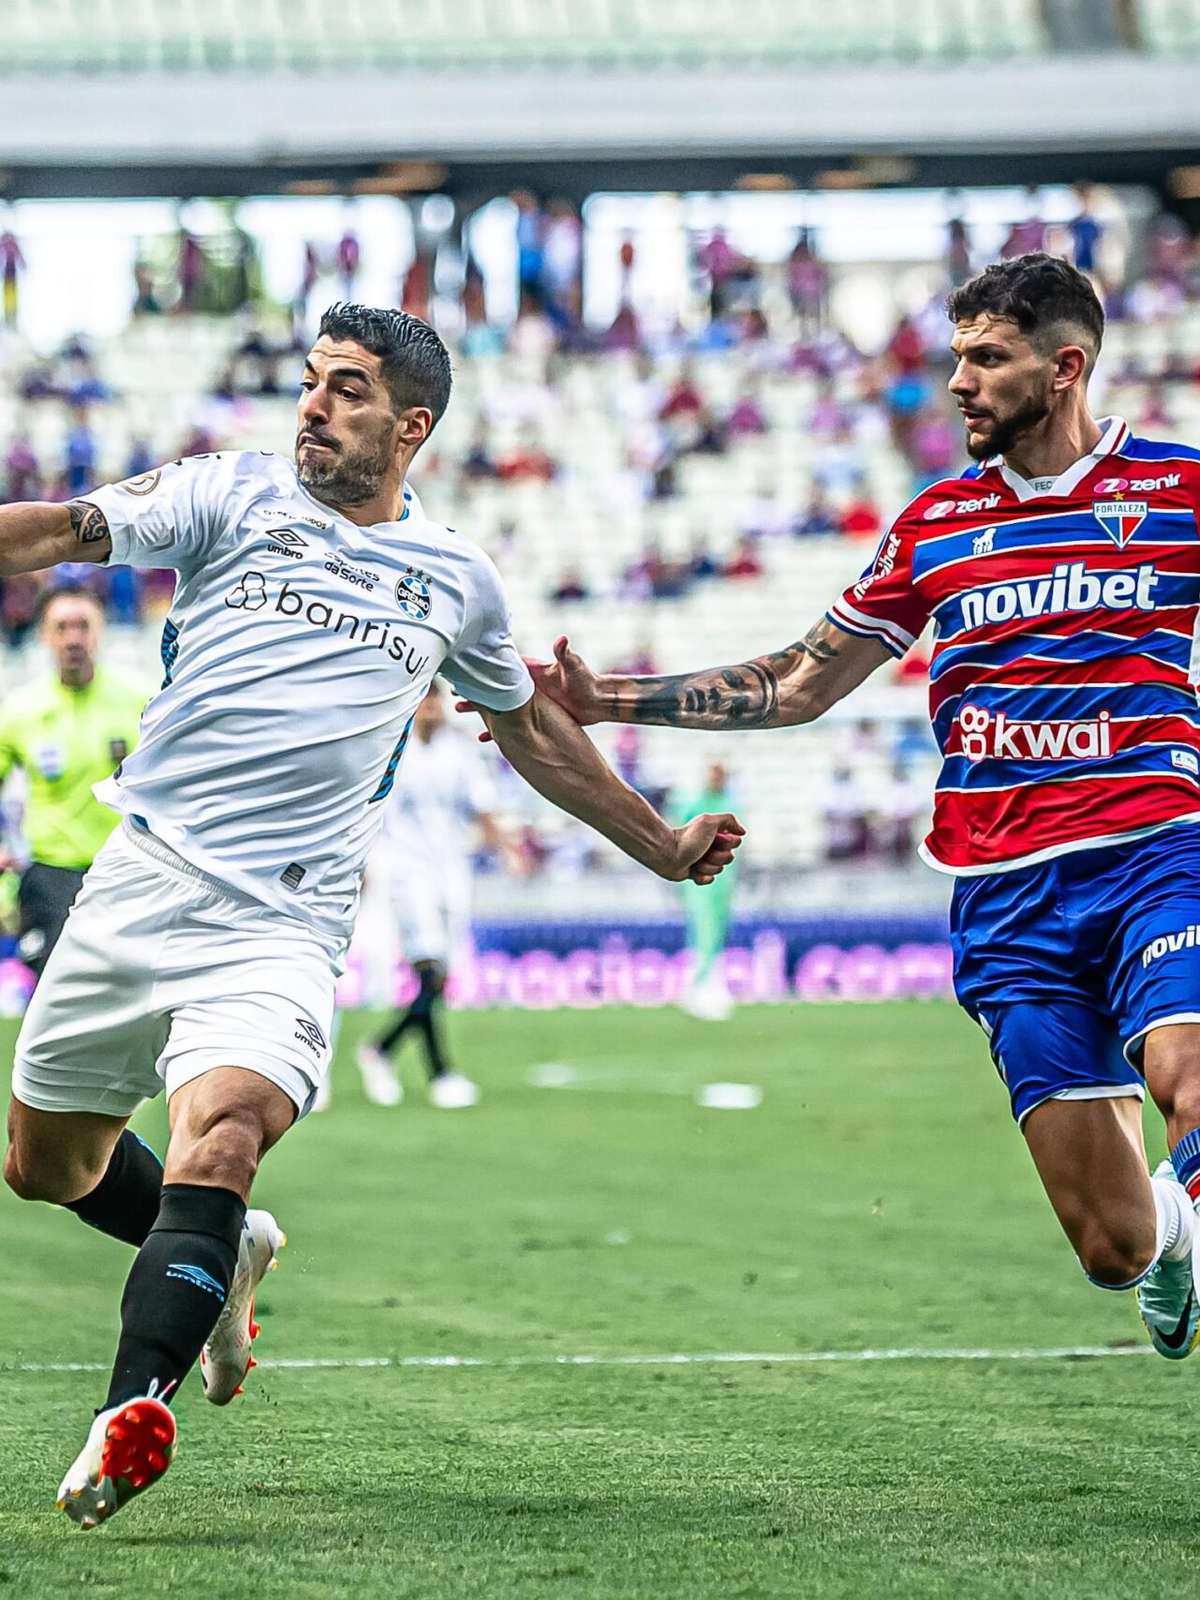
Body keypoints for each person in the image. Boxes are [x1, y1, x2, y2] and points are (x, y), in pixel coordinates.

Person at [0, 303, 742, 1529]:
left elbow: (533, 733)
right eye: (309, 381)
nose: (312, 404)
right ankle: (228, 1252)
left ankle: (128, 1413)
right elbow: (60, 531)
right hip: (137, 882)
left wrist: (662, 843)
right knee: (46, 1166)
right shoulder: (226, 495)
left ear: (409, 424)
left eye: (343, 388)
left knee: (222, 1132)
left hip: (281, 922)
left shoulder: (455, 577)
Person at [505, 254, 1200, 1376]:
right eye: (956, 355)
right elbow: (799, 681)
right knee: (1112, 1243)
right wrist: (606, 698)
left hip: (1158, 854)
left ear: (1066, 367)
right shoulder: (935, 525)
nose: (958, 381)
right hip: (1007, 897)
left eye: (988, 358)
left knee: (1189, 1073)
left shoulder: (1177, 489)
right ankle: (1176, 1240)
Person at [357, 682, 521, 1109]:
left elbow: (481, 807)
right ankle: (441, 1073)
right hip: (406, 874)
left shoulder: (460, 751)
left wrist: (508, 850)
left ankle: (381, 1050)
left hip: (451, 873)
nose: (431, 707)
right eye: (425, 699)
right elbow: (368, 812)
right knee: (428, 972)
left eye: (436, 699)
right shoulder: (391, 748)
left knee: (441, 979)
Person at [0, 586, 145, 979]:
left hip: (125, 868)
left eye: (83, 626)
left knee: (127, 992)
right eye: (62, 627)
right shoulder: (20, 711)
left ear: (99, 632)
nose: (73, 638)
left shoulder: (140, 701)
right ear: (45, 636)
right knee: (55, 993)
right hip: (50, 873)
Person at [672, 762, 738, 1021]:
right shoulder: (696, 803)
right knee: (704, 931)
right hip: (700, 879)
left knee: (717, 932)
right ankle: (698, 988)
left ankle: (710, 985)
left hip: (724, 880)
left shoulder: (731, 802)